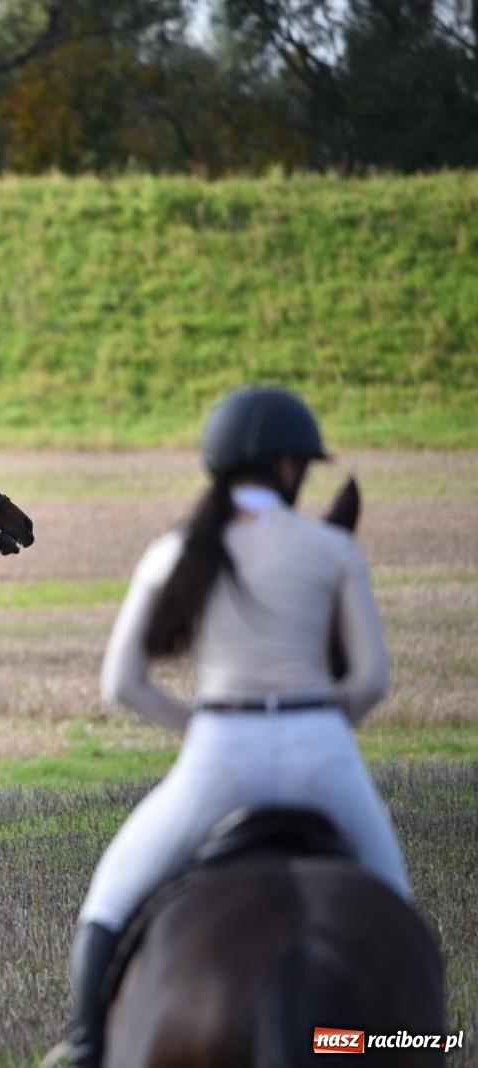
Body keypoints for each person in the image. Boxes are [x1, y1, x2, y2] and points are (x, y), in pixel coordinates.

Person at [54, 386, 410, 1067]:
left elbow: (122, 683)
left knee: (109, 898)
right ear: (287, 467)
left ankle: (84, 1047)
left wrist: (199, 729)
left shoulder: (175, 550)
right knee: (398, 912)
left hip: (219, 753)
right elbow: (370, 682)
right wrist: (323, 731)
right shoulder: (332, 548)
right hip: (322, 751)